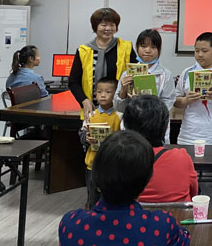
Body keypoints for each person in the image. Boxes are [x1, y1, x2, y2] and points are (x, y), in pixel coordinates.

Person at [59, 130, 191, 246]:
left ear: (96, 175)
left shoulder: (71, 224)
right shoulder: (162, 225)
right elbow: (184, 239)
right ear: (146, 180)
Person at [174, 32, 212, 207]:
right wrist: (186, 100)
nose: (200, 55)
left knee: (210, 183)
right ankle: (185, 214)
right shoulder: (187, 73)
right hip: (188, 134)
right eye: (196, 50)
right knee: (184, 180)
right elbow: (176, 101)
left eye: (204, 51)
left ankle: (210, 214)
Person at [123, 94, 198, 203]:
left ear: (126, 126)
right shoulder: (181, 158)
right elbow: (193, 193)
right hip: (177, 213)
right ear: (166, 126)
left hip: (133, 214)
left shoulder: (118, 158)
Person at [68, 7, 136, 120]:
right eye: (103, 25)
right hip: (92, 110)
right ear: (95, 27)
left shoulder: (126, 48)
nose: (108, 28)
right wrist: (84, 100)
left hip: (120, 111)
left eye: (112, 25)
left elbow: (136, 76)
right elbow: (73, 82)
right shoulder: (83, 50)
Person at [114, 29, 175, 142]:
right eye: (143, 46)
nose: (148, 50)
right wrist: (123, 90)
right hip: (132, 126)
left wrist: (147, 103)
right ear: (137, 48)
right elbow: (118, 108)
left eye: (153, 47)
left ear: (159, 50)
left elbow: (167, 104)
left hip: (155, 128)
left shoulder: (166, 75)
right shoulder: (127, 74)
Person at [78, 77, 122, 209]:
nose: (103, 95)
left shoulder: (120, 116)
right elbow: (82, 133)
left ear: (115, 94)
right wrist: (86, 138)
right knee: (93, 197)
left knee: (111, 197)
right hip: (92, 163)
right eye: (99, 92)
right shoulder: (90, 115)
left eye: (108, 92)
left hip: (113, 165)